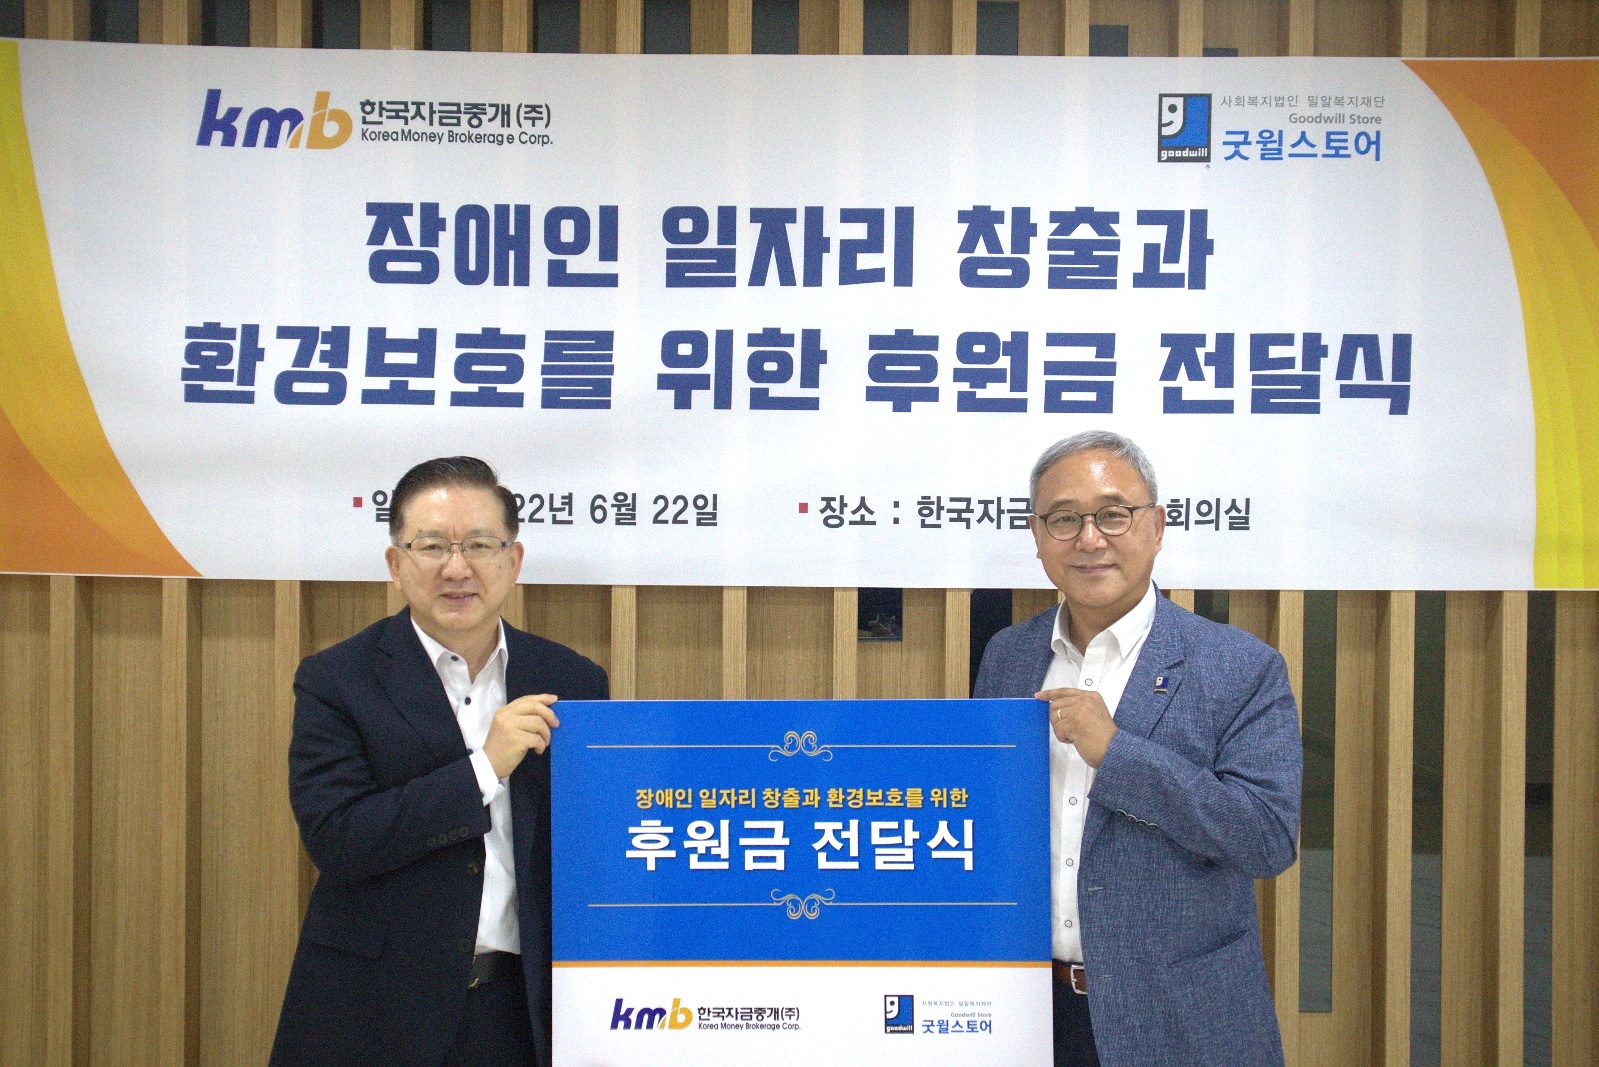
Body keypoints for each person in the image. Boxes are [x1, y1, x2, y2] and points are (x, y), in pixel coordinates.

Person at [974, 431, 1301, 1067]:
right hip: (1025, 1008)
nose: (1089, 538)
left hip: (1178, 1016)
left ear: (1156, 526)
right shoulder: (1009, 655)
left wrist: (1117, 754)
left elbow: (1266, 838)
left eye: (1113, 514)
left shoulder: (1239, 666)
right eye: (1063, 519)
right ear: (1037, 536)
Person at [270, 457, 608, 1067]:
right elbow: (338, 838)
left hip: (523, 1011)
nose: (457, 568)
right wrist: (485, 768)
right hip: (376, 1012)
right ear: (396, 563)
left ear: (514, 560)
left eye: (479, 545)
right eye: (431, 546)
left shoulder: (572, 681)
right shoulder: (338, 679)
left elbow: (594, 847)